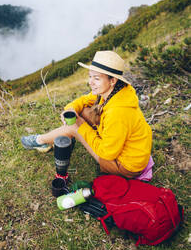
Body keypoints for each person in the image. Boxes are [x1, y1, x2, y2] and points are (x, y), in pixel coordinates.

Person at [21, 50, 153, 179]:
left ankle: (41, 141)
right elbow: (84, 100)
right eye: (90, 76)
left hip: (124, 166)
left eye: (96, 78)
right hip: (127, 149)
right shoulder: (116, 91)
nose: (90, 82)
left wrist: (80, 128)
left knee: (73, 127)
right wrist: (71, 109)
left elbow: (106, 153)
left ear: (112, 80)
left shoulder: (118, 112)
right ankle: (47, 140)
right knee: (82, 111)